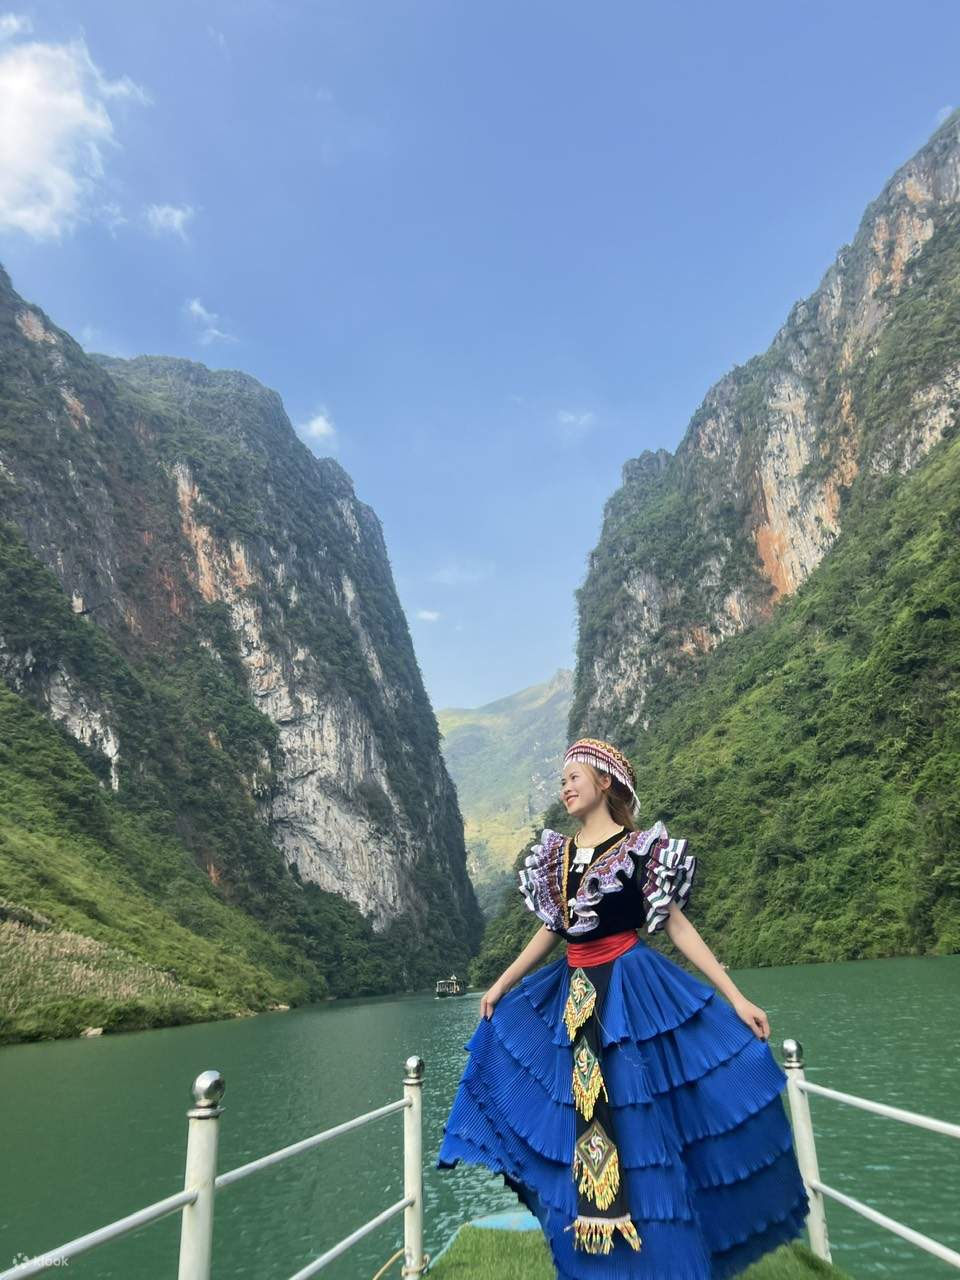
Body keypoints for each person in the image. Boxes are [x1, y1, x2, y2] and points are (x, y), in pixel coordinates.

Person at [437, 736, 810, 1278]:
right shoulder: (556, 858)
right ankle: (598, 1261)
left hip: (631, 990)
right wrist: (499, 984)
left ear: (604, 782)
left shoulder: (642, 851)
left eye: (573, 777)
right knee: (577, 1118)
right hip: (573, 995)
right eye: (561, 779)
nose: (564, 786)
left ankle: (665, 1260)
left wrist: (737, 997)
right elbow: (551, 933)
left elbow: (677, 927)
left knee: (640, 1121)